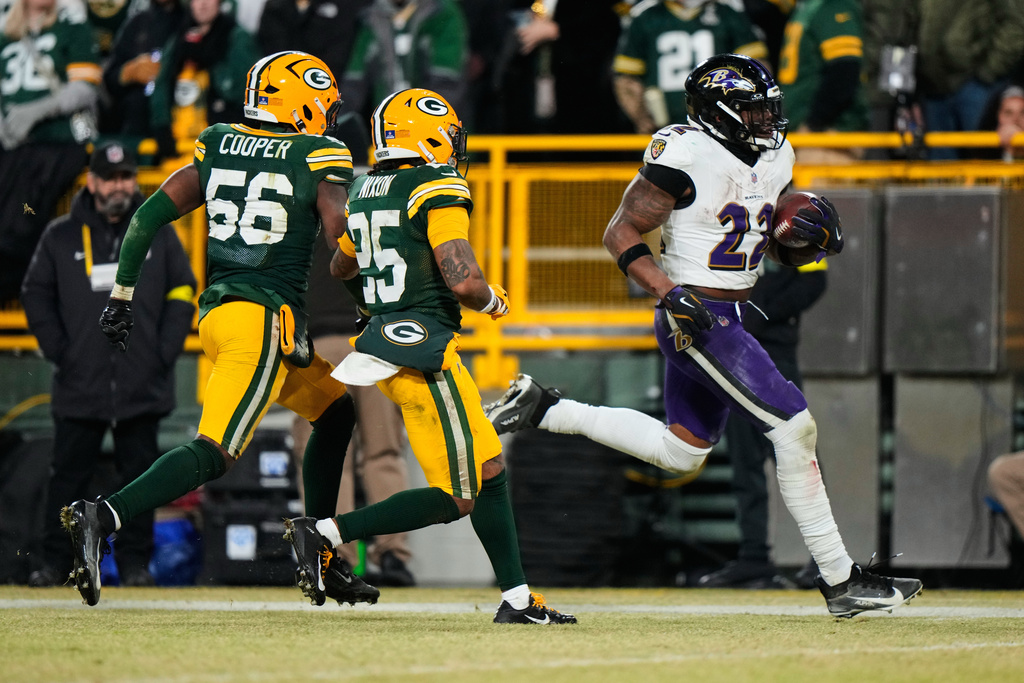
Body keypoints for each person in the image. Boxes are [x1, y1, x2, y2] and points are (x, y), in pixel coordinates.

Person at [486, 53, 923, 619]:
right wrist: (668, 292)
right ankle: (841, 581)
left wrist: (799, 241)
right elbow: (620, 231)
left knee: (682, 452)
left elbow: (757, 239)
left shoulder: (778, 155)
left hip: (733, 309)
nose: (767, 120)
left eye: (768, 108)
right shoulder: (685, 153)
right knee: (794, 427)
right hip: (697, 313)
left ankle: (544, 409)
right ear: (719, 112)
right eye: (753, 110)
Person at [60, 51, 377, 609]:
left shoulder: (219, 141)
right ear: (300, 103)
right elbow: (342, 246)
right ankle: (103, 515)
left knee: (335, 411)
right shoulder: (317, 153)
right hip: (261, 322)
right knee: (216, 452)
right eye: (322, 105)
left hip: (221, 316)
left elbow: (147, 216)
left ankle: (320, 552)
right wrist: (369, 304)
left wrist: (122, 296)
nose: (327, 116)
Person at [283, 87, 576, 625]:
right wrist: (493, 300)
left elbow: (341, 266)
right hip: (423, 351)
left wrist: (372, 308)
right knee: (459, 496)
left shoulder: (365, 189)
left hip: (392, 344)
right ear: (429, 133)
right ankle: (323, 532)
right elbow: (462, 279)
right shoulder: (435, 185)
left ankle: (517, 600)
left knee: (488, 468)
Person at [21, 141, 196, 588]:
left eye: (127, 177)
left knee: (141, 480)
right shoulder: (60, 235)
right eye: (111, 177)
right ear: (93, 181)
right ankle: (54, 563)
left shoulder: (159, 232)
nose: (121, 185)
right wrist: (61, 351)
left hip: (142, 382)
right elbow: (34, 293)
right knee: (66, 480)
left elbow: (183, 289)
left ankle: (136, 566)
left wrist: (163, 352)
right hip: (80, 383)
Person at [290, 236, 415, 587]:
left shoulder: (303, 214)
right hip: (377, 345)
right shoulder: (379, 213)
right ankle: (392, 554)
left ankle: (334, 556)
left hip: (319, 347)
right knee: (383, 454)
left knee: (326, 461)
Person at [697, 257, 827, 589]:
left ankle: (825, 557)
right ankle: (754, 558)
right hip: (733, 350)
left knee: (797, 451)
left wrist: (760, 315)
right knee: (745, 459)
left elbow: (814, 282)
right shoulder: (723, 230)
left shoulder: (786, 228)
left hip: (773, 351)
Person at [0, 0, 100, 304]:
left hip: (58, 141)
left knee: (23, 214)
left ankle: (22, 289)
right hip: (14, 146)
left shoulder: (72, 27)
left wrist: (37, 111)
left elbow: (85, 89)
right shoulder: (6, 34)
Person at [612, 0, 767, 135]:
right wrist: (642, 118)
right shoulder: (645, 16)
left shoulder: (727, 13)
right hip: (666, 126)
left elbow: (755, 68)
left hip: (722, 124)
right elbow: (627, 79)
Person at [147, 0, 260, 163]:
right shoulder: (179, 38)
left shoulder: (237, 37)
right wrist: (161, 126)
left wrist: (212, 61)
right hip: (178, 142)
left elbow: (243, 91)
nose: (203, 4)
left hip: (221, 144)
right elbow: (161, 85)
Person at [915, 0, 1024, 159]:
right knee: (940, 169)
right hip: (933, 85)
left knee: (984, 163)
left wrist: (989, 70)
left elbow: (1017, 22)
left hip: (980, 85)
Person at [776, 0, 869, 163]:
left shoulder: (834, 6)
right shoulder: (808, 7)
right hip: (804, 135)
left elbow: (844, 71)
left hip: (827, 138)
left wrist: (813, 123)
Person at [100, 0, 185, 144]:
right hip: (136, 123)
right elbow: (110, 79)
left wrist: (169, 73)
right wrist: (128, 72)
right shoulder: (137, 23)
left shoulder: (189, 21)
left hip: (179, 117)